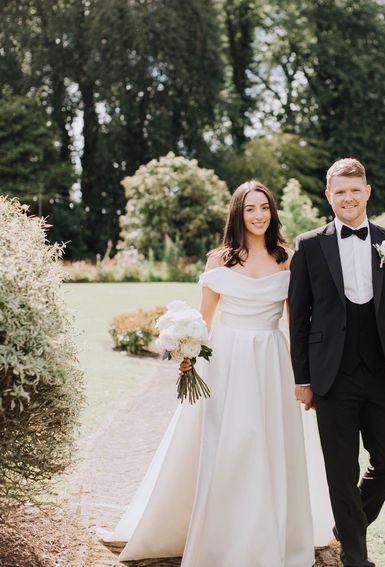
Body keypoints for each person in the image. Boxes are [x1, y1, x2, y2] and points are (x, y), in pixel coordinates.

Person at [104, 180, 333, 566]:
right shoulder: (219, 259)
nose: (259, 215)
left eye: (264, 208)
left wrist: (302, 377)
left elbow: (296, 326)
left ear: (272, 212)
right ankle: (222, 540)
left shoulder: (288, 258)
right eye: (250, 209)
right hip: (226, 361)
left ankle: (268, 538)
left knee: (269, 443)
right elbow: (204, 321)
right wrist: (188, 354)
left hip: (271, 360)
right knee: (230, 444)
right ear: (238, 214)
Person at [289, 158, 385, 567]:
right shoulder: (310, 245)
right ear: (328, 196)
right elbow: (300, 315)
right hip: (332, 376)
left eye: (355, 190)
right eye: (340, 192)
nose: (348, 198)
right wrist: (303, 377)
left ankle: (350, 524)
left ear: (368, 191)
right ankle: (355, 557)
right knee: (341, 469)